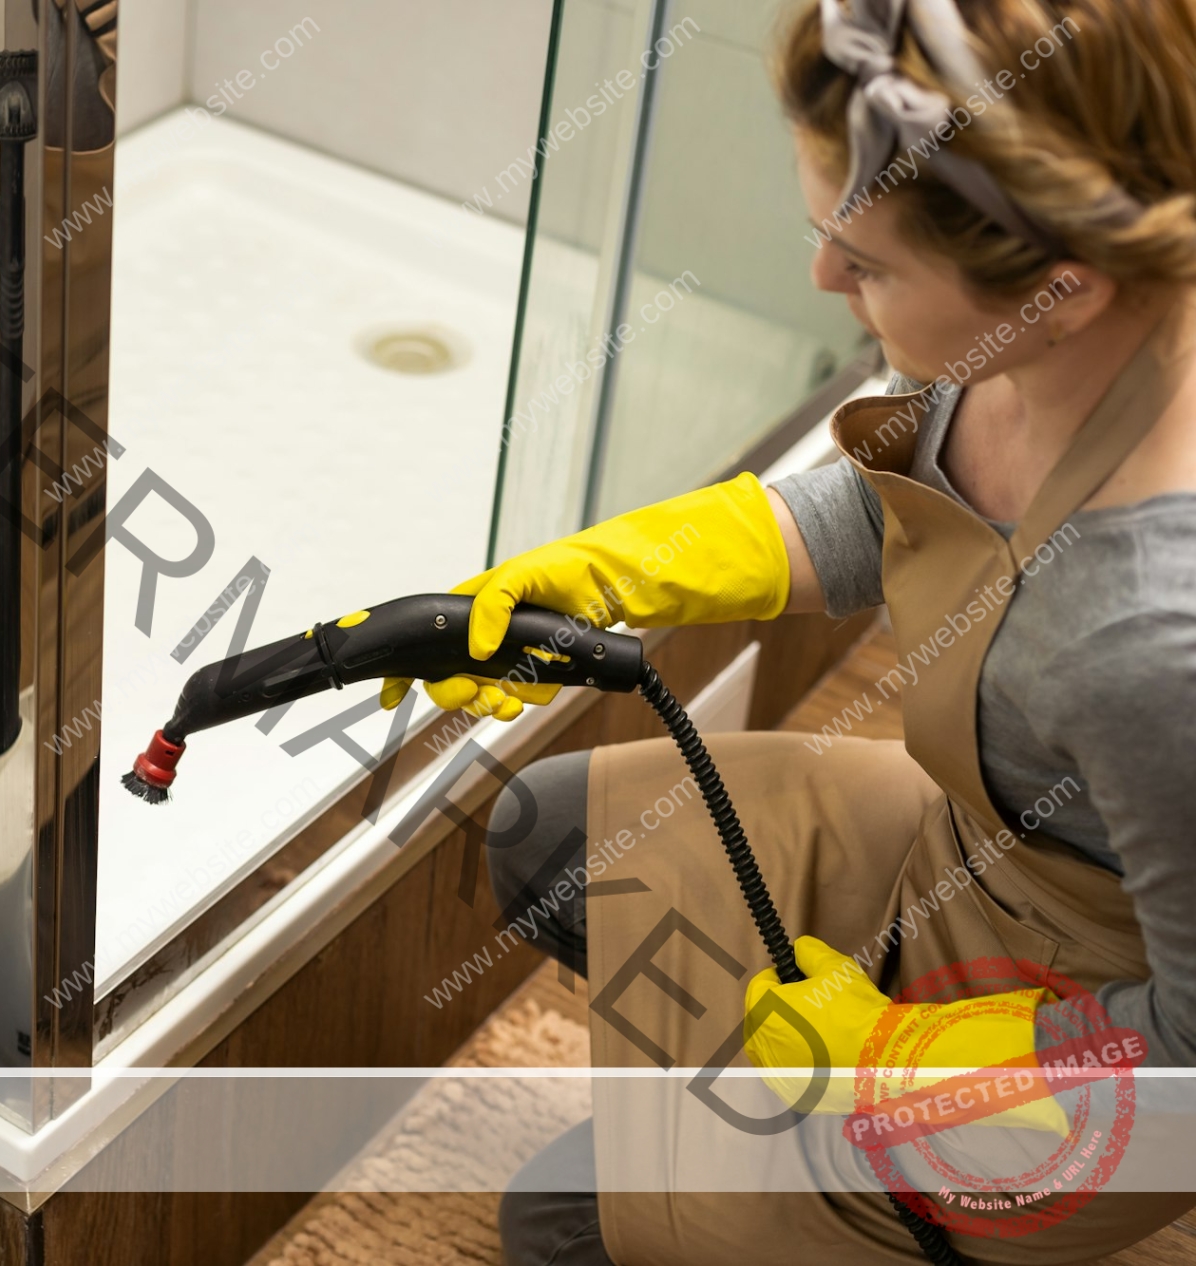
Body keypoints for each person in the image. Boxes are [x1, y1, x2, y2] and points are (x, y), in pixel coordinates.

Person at [383, 0, 1196, 1260]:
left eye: (865, 265)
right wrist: (632, 569)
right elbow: (917, 505)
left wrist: (903, 1063)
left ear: (1060, 287)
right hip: (967, 863)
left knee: (560, 1232)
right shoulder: (1065, 321)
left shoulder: (1151, 639)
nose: (822, 278)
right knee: (553, 838)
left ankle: (929, 1217)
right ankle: (766, 1149)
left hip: (1079, 1053)